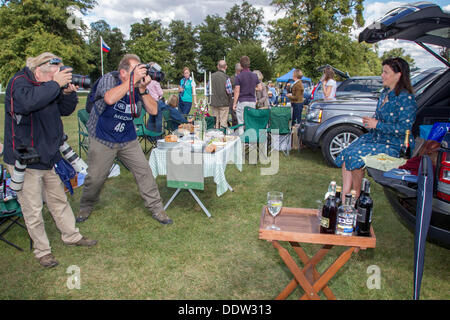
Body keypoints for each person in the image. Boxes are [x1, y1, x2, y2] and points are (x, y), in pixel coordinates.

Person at [3, 52, 97, 268]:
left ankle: (71, 236)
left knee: (58, 200)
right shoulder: (19, 83)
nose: (63, 77)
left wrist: (67, 93)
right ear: (41, 69)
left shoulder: (49, 85)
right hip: (25, 158)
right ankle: (43, 251)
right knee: (33, 208)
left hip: (48, 156)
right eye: (58, 73)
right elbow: (28, 104)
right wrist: (55, 85)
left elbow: (64, 110)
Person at [77, 54, 172, 225]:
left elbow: (154, 110)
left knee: (144, 171)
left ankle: (157, 209)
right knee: (96, 177)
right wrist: (130, 83)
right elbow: (109, 98)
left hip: (127, 138)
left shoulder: (138, 86)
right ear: (123, 72)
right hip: (102, 137)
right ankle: (86, 205)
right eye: (136, 70)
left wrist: (142, 90)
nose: (140, 74)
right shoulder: (109, 79)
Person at [335, 57, 417, 199]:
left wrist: (377, 124)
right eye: (382, 72)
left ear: (399, 75)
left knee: (355, 156)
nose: (382, 75)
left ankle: (354, 199)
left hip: (394, 144)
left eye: (386, 72)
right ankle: (344, 197)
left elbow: (405, 128)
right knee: (347, 152)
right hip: (376, 137)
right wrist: (372, 122)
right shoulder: (384, 93)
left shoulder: (406, 98)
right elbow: (381, 118)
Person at [232, 56, 262, 135]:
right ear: (249, 64)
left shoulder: (239, 76)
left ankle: (242, 143)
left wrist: (234, 103)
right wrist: (252, 88)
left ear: (241, 65)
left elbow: (237, 91)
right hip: (252, 101)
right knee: (251, 123)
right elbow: (260, 87)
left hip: (242, 101)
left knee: (241, 124)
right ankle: (252, 143)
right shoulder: (254, 75)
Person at [210, 60, 232, 129]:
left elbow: (208, 90)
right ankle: (222, 136)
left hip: (213, 102)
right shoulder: (226, 77)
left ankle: (216, 137)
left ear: (218, 67)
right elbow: (229, 91)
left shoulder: (211, 76)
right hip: (224, 103)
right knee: (223, 123)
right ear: (226, 67)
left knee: (215, 122)